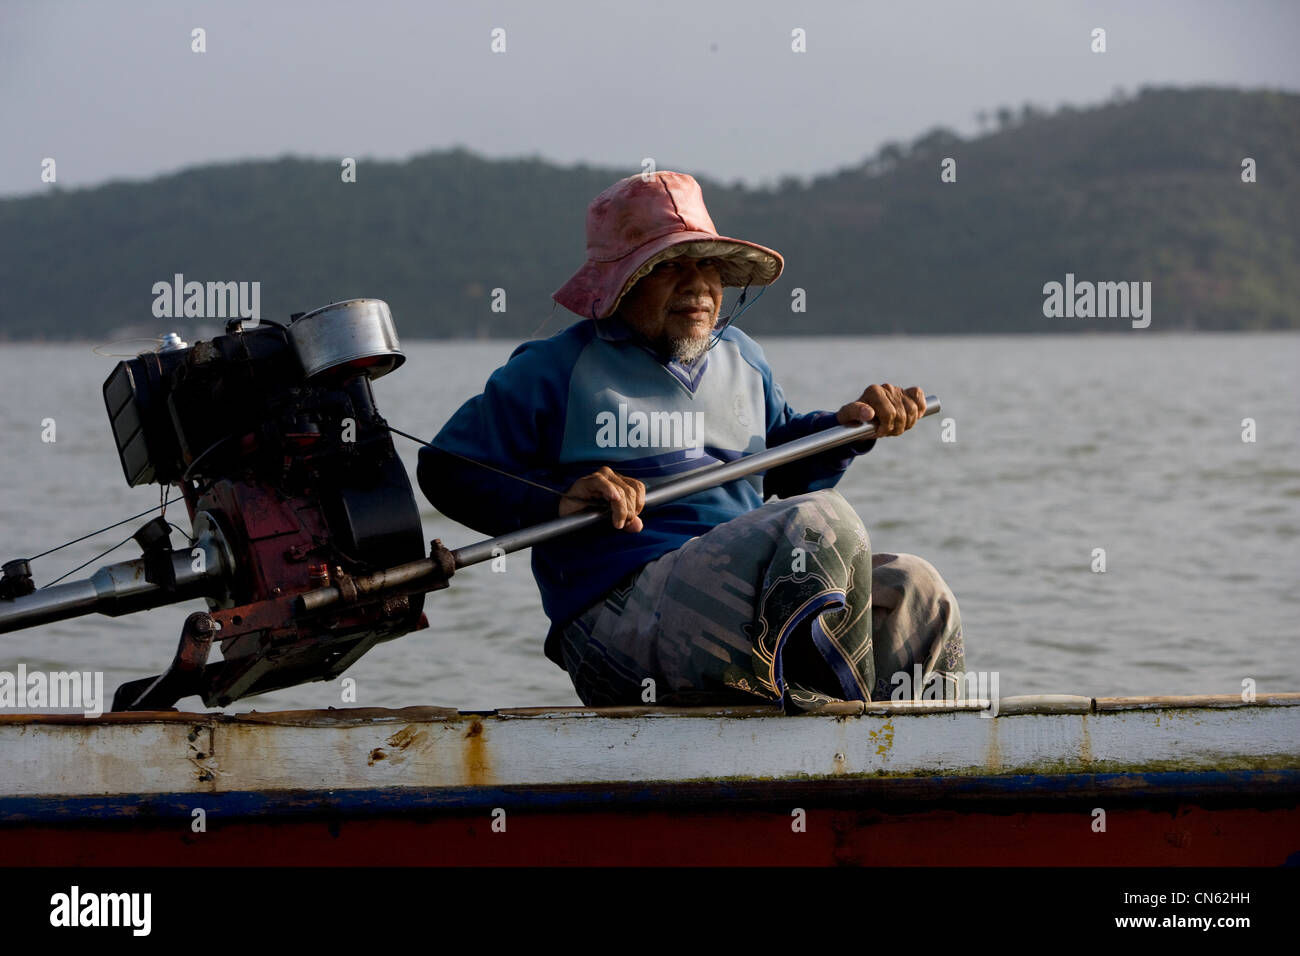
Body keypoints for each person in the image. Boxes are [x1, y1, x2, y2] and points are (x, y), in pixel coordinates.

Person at [418, 171, 964, 711]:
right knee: (822, 519)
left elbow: (783, 466)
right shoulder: (553, 368)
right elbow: (446, 470)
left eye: (708, 265)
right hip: (615, 625)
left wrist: (851, 426)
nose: (698, 285)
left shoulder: (743, 357)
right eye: (670, 266)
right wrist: (556, 499)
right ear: (621, 283)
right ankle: (842, 737)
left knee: (916, 588)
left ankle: (928, 761)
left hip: (737, 612)